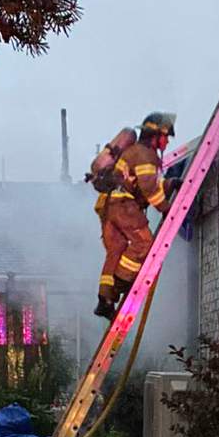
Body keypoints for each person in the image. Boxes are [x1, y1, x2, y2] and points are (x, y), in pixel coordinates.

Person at [94, 112, 177, 321]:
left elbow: (141, 184)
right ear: (156, 134)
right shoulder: (144, 154)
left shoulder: (132, 153)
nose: (167, 141)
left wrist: (170, 184)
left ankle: (105, 300)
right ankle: (121, 282)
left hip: (108, 204)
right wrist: (167, 209)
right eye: (166, 136)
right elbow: (149, 189)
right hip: (124, 206)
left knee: (116, 250)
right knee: (144, 243)